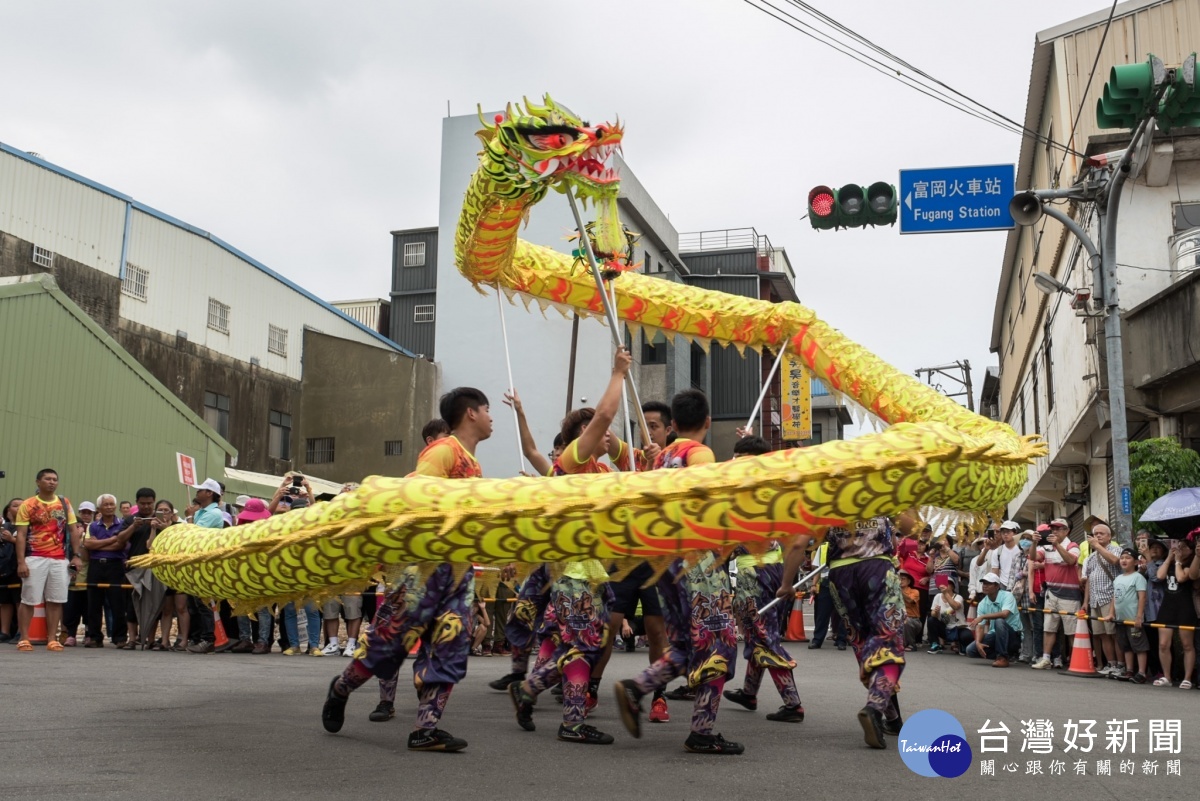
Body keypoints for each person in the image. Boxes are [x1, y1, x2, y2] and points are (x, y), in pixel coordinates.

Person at [323, 387, 492, 752]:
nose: (492, 418)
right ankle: (341, 688)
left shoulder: (474, 464)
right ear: (472, 414)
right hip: (423, 573)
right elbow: (414, 493)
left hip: (458, 574)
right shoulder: (444, 450)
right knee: (386, 645)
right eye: (488, 410)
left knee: (449, 644)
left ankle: (425, 729)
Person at [613, 386, 744, 756]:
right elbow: (705, 500)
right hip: (696, 559)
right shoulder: (700, 453)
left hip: (663, 562)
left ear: (672, 424)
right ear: (707, 421)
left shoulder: (661, 458)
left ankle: (638, 687)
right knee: (719, 641)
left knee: (687, 644)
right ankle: (702, 731)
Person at [510, 349, 631, 746]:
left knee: (580, 643)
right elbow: (604, 417)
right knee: (580, 645)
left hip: (591, 573)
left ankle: (529, 690)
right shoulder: (572, 461)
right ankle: (572, 721)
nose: (604, 435)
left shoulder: (599, 471)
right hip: (572, 573)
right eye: (593, 430)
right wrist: (617, 373)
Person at [779, 514, 903, 749]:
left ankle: (894, 719)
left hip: (841, 576)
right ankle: (875, 708)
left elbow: (798, 544)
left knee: (863, 643)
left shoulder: (828, 496)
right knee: (888, 641)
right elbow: (911, 528)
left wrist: (786, 584)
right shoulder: (882, 492)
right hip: (878, 568)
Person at [721, 435, 805, 724]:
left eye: (737, 456)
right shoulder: (770, 487)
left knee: (764, 637)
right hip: (770, 569)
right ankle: (748, 692)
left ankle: (792, 703)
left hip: (754, 573)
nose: (733, 462)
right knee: (760, 633)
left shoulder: (748, 490)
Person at [13, 469, 83, 652]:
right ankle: (24, 638)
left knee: (55, 600)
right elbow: (20, 535)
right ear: (38, 482)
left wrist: (77, 555)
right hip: (35, 557)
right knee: (29, 599)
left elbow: (73, 530)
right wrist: (21, 562)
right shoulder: (28, 504)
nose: (52, 482)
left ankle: (52, 639)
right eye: (47, 479)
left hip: (59, 559)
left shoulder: (64, 503)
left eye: (54, 479)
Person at [82, 494, 132, 648]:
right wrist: (112, 540)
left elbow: (121, 545)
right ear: (99, 509)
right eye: (106, 505)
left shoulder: (123, 524)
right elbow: (88, 545)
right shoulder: (93, 526)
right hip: (96, 565)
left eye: (112, 504)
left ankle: (119, 637)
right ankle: (95, 637)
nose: (110, 507)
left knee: (118, 602)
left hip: (115, 565)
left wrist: (99, 544)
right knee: (94, 603)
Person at [1030, 519, 1080, 670]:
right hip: (1051, 593)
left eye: (1058, 529)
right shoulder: (1045, 547)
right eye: (1053, 529)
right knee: (1049, 628)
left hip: (1069, 594)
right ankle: (1046, 659)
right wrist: (1033, 543)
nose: (1055, 532)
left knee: (1072, 630)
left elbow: (1071, 561)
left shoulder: (1073, 546)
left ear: (1067, 531)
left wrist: (1057, 545)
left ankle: (1076, 660)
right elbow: (1033, 557)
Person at [124, 488, 169, 650]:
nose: (146, 507)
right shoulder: (130, 520)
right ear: (137, 503)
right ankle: (132, 638)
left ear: (154, 502)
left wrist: (161, 527)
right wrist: (133, 527)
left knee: (152, 603)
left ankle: (150, 639)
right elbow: (120, 539)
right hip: (134, 566)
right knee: (131, 604)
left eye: (149, 503)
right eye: (142, 503)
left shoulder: (161, 520)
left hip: (155, 567)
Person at [184, 478, 225, 653]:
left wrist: (190, 517)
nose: (197, 492)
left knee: (204, 603)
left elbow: (194, 535)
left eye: (201, 490)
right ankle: (197, 637)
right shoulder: (202, 512)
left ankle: (208, 639)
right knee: (194, 604)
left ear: (209, 493)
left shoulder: (214, 514)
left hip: (206, 563)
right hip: (195, 562)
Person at [1153, 535, 1198, 687]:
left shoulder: (1191, 564)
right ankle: (1167, 677)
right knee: (1163, 644)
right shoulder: (1170, 562)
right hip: (1168, 606)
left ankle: (1187, 677)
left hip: (1185, 606)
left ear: (1191, 550)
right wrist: (1169, 558)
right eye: (1178, 546)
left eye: (1184, 547)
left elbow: (1181, 578)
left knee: (1187, 645)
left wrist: (1178, 561)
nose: (1180, 549)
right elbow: (1159, 575)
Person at [1081, 523, 1123, 676]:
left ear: (1109, 536)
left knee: (1113, 634)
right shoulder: (1091, 557)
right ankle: (1110, 663)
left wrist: (1097, 546)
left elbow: (1114, 561)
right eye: (1095, 534)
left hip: (1109, 597)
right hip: (1095, 600)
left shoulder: (1116, 549)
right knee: (1101, 634)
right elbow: (1089, 580)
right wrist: (1086, 601)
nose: (1098, 536)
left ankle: (1121, 665)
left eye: (1101, 533)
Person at [966, 572, 1022, 667]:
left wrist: (983, 616)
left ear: (997, 586)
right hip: (995, 635)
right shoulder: (982, 603)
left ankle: (1003, 657)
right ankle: (1001, 655)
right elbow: (980, 627)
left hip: (1013, 635)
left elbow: (1004, 614)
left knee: (999, 621)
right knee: (971, 650)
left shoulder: (1007, 596)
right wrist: (978, 642)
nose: (985, 586)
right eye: (984, 583)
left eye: (988, 584)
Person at [1110, 547, 1148, 684]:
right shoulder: (1118, 578)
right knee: (1125, 645)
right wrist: (1111, 613)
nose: (1124, 560)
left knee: (1138, 645)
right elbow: (1114, 597)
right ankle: (1129, 670)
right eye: (1122, 558)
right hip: (1120, 619)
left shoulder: (1138, 577)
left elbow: (1142, 597)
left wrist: (1139, 617)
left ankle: (1142, 672)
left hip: (1133, 619)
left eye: (1128, 558)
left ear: (1136, 562)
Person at [808, 539, 848, 650]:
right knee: (822, 614)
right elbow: (817, 569)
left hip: (843, 581)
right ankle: (817, 640)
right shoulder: (823, 547)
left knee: (843, 614)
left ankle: (841, 640)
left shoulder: (848, 545)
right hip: (826, 581)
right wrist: (813, 585)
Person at [1, 498, 24, 642]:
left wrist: (12, 539)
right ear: (9, 510)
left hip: (20, 567)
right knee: (4, 601)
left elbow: (29, 546)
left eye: (22, 506)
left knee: (19, 601)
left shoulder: (28, 527)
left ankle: (21, 631)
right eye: (15, 506)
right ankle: (4, 631)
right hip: (4, 567)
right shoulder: (5, 527)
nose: (18, 508)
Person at [926, 580, 970, 654]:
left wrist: (946, 593)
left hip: (958, 627)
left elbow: (956, 606)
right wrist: (936, 612)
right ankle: (935, 644)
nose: (944, 585)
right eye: (943, 583)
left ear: (952, 586)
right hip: (945, 628)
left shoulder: (958, 597)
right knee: (931, 620)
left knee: (967, 636)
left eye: (947, 584)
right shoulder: (937, 596)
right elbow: (933, 613)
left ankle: (961, 645)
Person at [898, 571, 922, 650]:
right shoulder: (892, 592)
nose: (900, 580)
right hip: (897, 619)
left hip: (913, 620)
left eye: (903, 579)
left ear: (909, 581)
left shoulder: (914, 591)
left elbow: (910, 600)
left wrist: (899, 590)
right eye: (898, 579)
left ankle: (912, 645)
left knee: (906, 620)